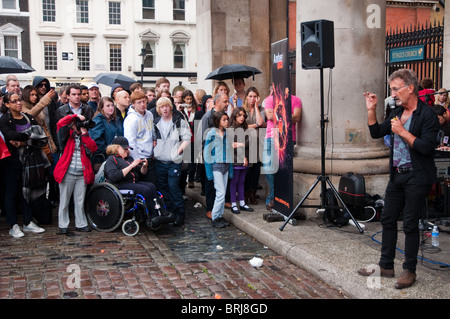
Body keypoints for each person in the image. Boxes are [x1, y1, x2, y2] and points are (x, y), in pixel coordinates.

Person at [358, 69, 440, 289]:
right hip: (397, 175)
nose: (392, 93)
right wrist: (371, 110)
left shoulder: (427, 115)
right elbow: (376, 132)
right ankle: (386, 265)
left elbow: (426, 147)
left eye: (396, 89)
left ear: (410, 88)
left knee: (411, 224)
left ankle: (409, 270)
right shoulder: (396, 112)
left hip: (417, 176)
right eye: (391, 89)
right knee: (387, 218)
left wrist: (403, 132)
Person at [0, 92, 46, 237]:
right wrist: (29, 135)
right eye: (14, 101)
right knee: (12, 192)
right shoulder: (5, 119)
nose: (18, 103)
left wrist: (24, 141)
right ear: (7, 104)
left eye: (19, 100)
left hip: (30, 161)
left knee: (28, 191)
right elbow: (10, 136)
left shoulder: (29, 117)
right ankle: (13, 224)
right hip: (12, 161)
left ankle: (28, 221)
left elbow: (41, 136)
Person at [53, 113, 98, 234]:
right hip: (67, 172)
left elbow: (93, 148)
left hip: (82, 173)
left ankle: (81, 223)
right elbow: (60, 123)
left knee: (80, 201)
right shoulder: (65, 136)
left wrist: (85, 134)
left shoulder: (85, 136)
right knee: (64, 201)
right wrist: (74, 116)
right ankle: (63, 225)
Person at [153, 97, 191, 226]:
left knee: (174, 187)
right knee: (163, 189)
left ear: (171, 107)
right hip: (159, 161)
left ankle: (180, 214)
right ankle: (169, 214)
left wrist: (178, 151)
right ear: (158, 109)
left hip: (174, 161)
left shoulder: (179, 121)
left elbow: (187, 138)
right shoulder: (155, 122)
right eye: (162, 107)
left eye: (167, 106)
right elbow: (152, 139)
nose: (165, 109)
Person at [104, 136, 158, 220]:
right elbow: (113, 176)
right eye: (124, 149)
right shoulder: (111, 159)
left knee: (151, 186)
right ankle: (152, 216)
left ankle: (158, 210)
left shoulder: (129, 158)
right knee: (145, 190)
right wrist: (131, 166)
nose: (127, 150)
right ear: (116, 148)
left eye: (127, 149)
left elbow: (141, 173)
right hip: (119, 184)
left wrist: (144, 166)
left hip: (132, 182)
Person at [199, 92, 229, 219]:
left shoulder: (224, 117)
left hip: (223, 159)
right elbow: (203, 137)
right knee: (210, 184)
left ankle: (218, 210)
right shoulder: (208, 117)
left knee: (221, 187)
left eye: (228, 101)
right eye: (225, 101)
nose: (227, 104)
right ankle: (210, 209)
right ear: (217, 102)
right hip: (212, 159)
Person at [204, 111, 233, 228]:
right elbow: (207, 154)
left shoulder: (227, 134)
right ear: (217, 121)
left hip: (225, 166)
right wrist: (209, 173)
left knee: (223, 192)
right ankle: (215, 217)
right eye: (224, 120)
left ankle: (220, 216)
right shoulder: (211, 134)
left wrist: (230, 170)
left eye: (227, 119)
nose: (227, 121)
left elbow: (229, 152)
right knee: (220, 193)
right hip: (216, 166)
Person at [124, 90, 155, 184]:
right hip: (139, 157)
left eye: (144, 101)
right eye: (139, 102)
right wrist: (137, 160)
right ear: (133, 104)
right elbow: (131, 141)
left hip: (150, 155)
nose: (142, 105)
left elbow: (152, 131)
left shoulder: (149, 114)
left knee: (153, 184)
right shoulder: (131, 119)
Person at [242, 87, 265, 204]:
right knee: (247, 171)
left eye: (255, 96)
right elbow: (242, 126)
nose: (252, 99)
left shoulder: (261, 109)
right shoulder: (242, 110)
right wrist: (256, 125)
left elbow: (261, 122)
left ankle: (252, 193)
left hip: (257, 144)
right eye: (250, 96)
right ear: (246, 97)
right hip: (246, 144)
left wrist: (256, 107)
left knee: (256, 171)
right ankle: (245, 193)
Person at [228, 107, 253, 214]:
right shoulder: (231, 128)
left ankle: (242, 203)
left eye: (243, 115)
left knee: (242, 181)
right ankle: (233, 203)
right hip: (235, 159)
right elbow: (231, 145)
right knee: (234, 181)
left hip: (245, 159)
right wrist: (240, 146)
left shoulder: (245, 128)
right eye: (239, 115)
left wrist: (240, 144)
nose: (242, 117)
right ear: (234, 116)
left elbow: (247, 143)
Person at [89, 96, 124, 171]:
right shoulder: (98, 120)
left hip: (118, 156)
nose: (111, 108)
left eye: (112, 105)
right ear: (102, 108)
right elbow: (97, 140)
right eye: (108, 106)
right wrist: (108, 152)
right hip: (103, 158)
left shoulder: (116, 119)